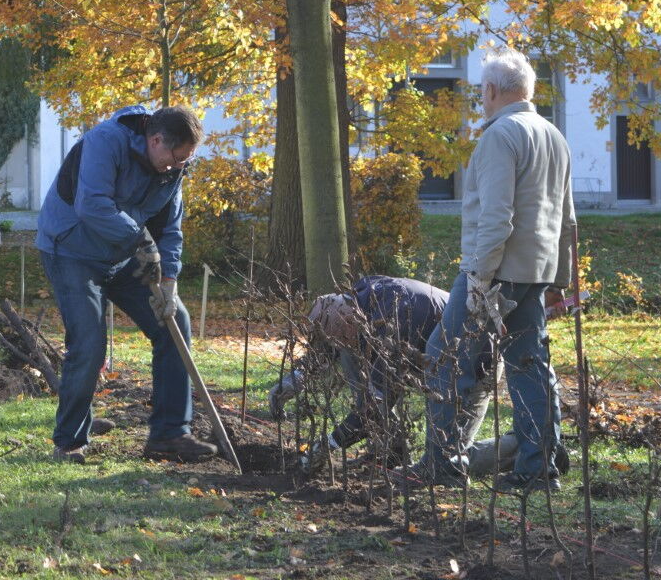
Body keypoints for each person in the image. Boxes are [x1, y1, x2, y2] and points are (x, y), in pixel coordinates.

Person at [414, 47, 576, 494]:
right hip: (536, 272)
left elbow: (497, 216)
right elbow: (568, 219)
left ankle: (442, 464)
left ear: (490, 90)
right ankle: (539, 468)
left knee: (444, 357)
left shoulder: (499, 135)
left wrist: (478, 278)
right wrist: (560, 282)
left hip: (496, 271)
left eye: (480, 91)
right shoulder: (553, 134)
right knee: (529, 365)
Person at [37, 104, 217, 465]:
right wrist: (140, 242)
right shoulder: (106, 141)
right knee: (89, 340)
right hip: (71, 249)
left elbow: (169, 227)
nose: (177, 167)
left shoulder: (174, 166)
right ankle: (70, 440)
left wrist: (169, 281)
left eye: (185, 160)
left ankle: (169, 433)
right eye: (173, 159)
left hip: (123, 254)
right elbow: (93, 205)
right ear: (154, 139)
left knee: (174, 322)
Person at [271, 275, 568, 478]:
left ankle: (534, 449)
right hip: (431, 359)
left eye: (341, 338)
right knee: (353, 356)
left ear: (351, 321)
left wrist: (329, 445)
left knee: (446, 461)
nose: (338, 347)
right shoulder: (359, 298)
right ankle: (391, 448)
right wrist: (293, 380)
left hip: (474, 365)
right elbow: (330, 347)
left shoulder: (392, 327)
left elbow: (374, 408)